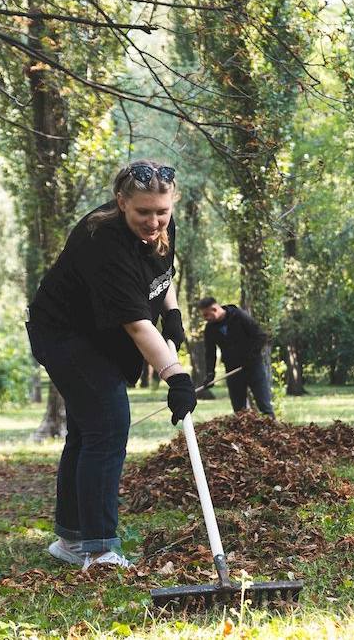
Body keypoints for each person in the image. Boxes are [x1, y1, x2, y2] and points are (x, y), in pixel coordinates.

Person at [26, 160, 197, 570]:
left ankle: (71, 540)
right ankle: (100, 550)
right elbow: (138, 327)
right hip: (63, 334)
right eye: (143, 213)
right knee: (108, 423)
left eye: (162, 211)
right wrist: (176, 375)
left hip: (100, 336)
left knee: (87, 432)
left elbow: (160, 273)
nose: (154, 222)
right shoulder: (102, 240)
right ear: (121, 202)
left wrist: (172, 313)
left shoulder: (160, 224)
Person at [199, 297, 274, 417]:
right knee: (239, 412)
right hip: (233, 370)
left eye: (206, 315)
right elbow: (210, 353)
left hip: (254, 367)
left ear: (215, 309)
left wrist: (251, 356)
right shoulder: (210, 329)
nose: (206, 318)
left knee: (264, 407)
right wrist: (210, 374)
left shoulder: (239, 316)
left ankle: (272, 433)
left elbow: (260, 336)